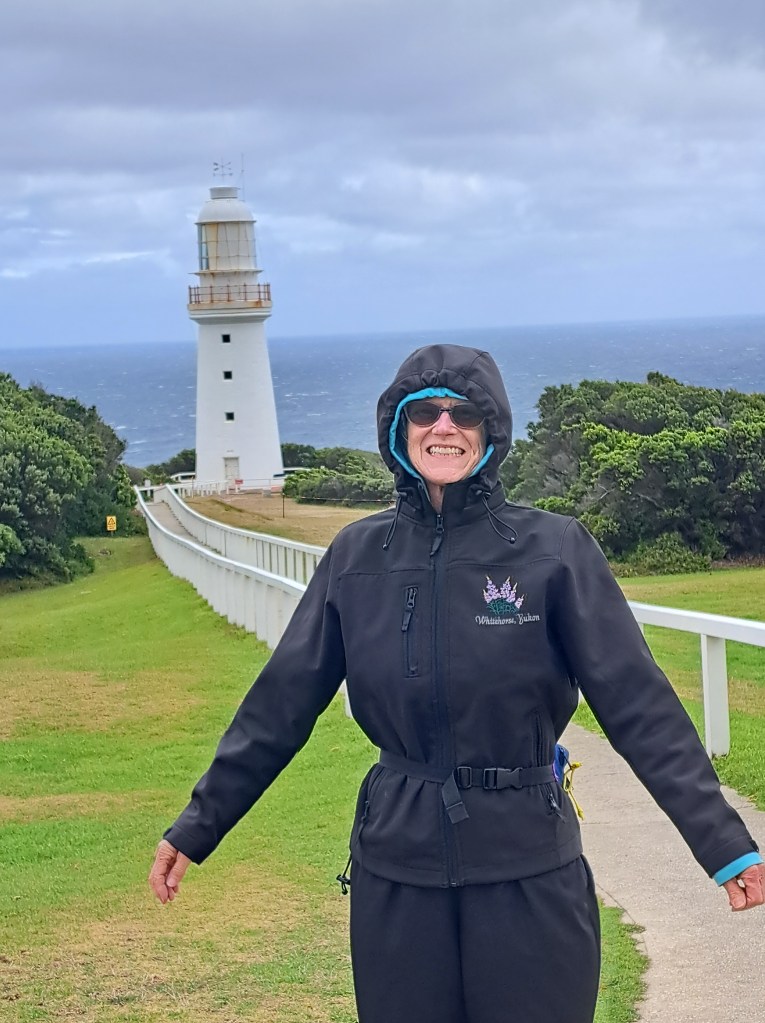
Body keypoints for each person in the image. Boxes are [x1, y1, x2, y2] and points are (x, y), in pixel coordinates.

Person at [149, 344, 763, 1023]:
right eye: (425, 413)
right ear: (398, 430)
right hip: (397, 870)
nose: (444, 427)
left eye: (463, 413)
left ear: (489, 429)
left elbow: (638, 704)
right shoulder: (356, 556)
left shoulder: (553, 550)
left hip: (528, 865)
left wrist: (722, 841)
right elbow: (279, 706)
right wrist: (198, 825)